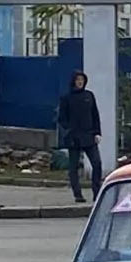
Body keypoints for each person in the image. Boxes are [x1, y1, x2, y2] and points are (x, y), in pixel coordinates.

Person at [54, 71, 103, 202]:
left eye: (82, 80)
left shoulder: (89, 96)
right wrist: (69, 130)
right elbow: (61, 118)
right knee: (73, 167)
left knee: (97, 163)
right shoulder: (67, 98)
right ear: (73, 82)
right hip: (73, 137)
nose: (80, 82)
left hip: (89, 136)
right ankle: (78, 194)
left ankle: (97, 192)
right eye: (78, 80)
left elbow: (95, 115)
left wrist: (97, 132)